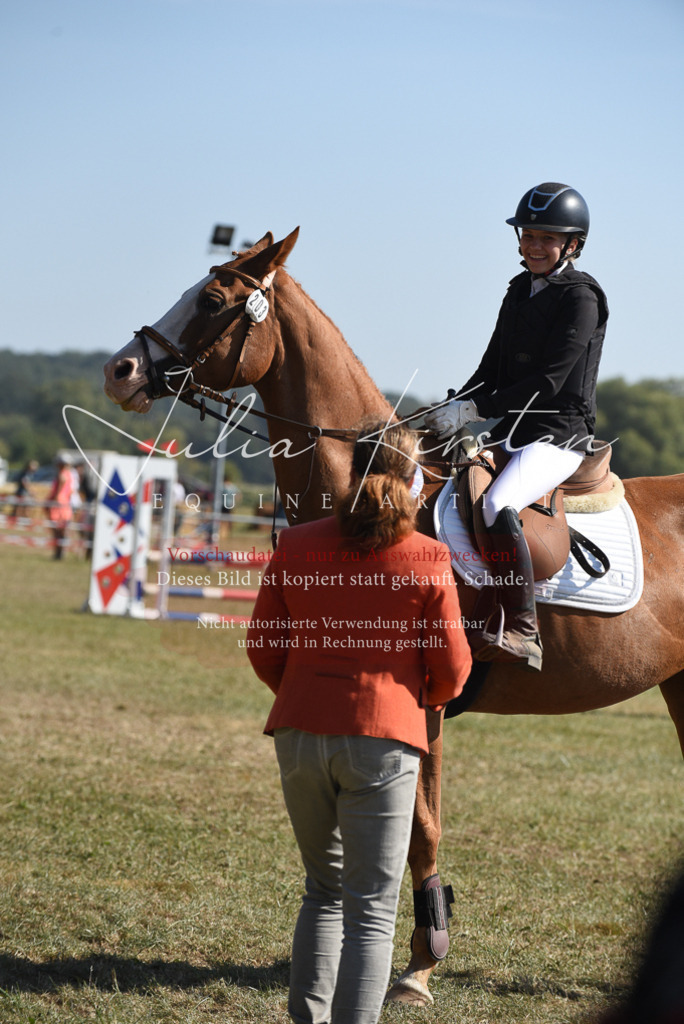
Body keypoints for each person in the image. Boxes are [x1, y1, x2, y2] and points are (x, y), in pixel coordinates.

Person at [246, 419, 472, 1024]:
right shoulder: (429, 556)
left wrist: (304, 695)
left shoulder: (296, 544)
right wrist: (418, 701)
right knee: (371, 910)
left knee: (321, 891)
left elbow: (263, 648)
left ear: (352, 470)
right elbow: (453, 670)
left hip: (298, 732)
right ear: (413, 479)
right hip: (384, 737)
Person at [426, 182, 609, 672]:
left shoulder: (582, 297)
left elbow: (550, 381)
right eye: (528, 235)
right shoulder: (518, 290)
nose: (534, 246)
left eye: (547, 238)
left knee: (497, 502)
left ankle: (523, 627)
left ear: (572, 244)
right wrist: (453, 406)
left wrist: (475, 410)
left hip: (560, 434)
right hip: (513, 429)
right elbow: (491, 369)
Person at [47, 456, 74, 559]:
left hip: (58, 503)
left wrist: (55, 497)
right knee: (62, 529)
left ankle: (59, 552)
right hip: (65, 502)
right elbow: (71, 491)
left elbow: (61, 485)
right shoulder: (70, 474)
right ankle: (60, 552)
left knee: (57, 529)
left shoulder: (62, 474)